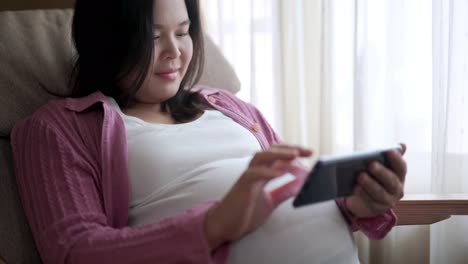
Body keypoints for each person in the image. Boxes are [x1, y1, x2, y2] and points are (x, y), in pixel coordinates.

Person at [10, 0, 407, 263]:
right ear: (106, 43)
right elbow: (75, 252)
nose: (175, 52)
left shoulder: (227, 104)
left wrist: (356, 204)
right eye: (152, 37)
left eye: (182, 32)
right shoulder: (59, 127)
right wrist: (215, 224)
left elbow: (290, 194)